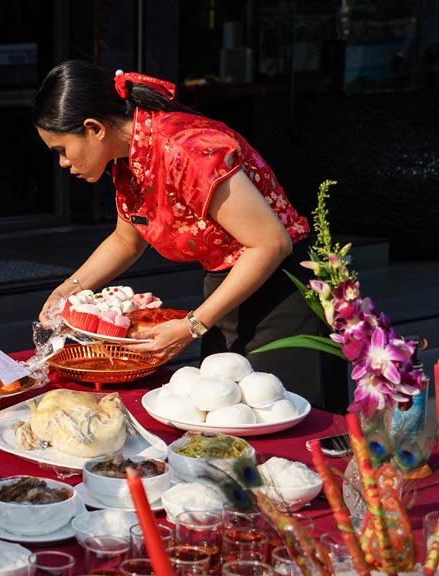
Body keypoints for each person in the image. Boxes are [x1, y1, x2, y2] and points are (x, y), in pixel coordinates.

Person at [33, 60, 345, 410]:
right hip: (227, 286)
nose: (62, 163)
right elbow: (127, 240)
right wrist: (67, 292)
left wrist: (192, 325)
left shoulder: (187, 147)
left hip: (282, 288)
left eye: (61, 149)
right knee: (226, 414)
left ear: (94, 128)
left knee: (286, 417)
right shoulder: (127, 158)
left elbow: (270, 243)